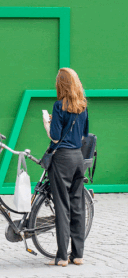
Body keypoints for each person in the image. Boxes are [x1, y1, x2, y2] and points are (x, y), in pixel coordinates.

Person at [43, 68, 89, 267]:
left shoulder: (58, 106)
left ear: (60, 84)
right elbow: (83, 134)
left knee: (62, 206)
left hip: (62, 159)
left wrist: (47, 123)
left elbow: (54, 136)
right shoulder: (83, 106)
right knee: (77, 206)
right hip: (78, 157)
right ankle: (77, 255)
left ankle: (62, 257)